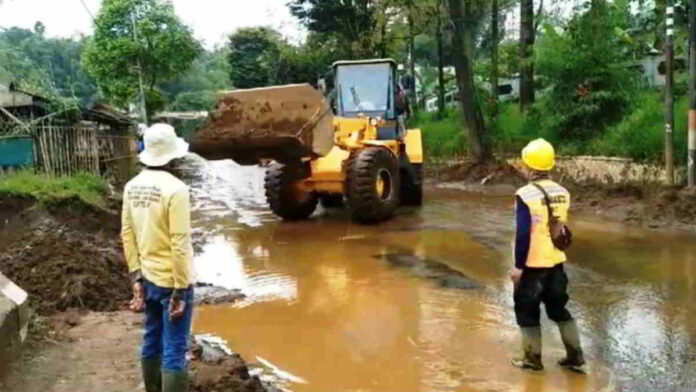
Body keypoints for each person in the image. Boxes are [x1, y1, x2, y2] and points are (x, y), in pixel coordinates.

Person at [121, 123, 194, 392]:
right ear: (173, 155)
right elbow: (179, 243)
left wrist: (135, 277)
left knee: (152, 338)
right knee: (175, 347)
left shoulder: (132, 187)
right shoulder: (176, 190)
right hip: (171, 281)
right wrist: (180, 289)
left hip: (148, 278)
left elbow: (127, 233)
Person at [510, 138, 586, 373]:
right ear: (550, 165)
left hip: (533, 265)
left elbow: (524, 234)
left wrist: (518, 267)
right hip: (556, 263)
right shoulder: (563, 192)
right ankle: (575, 356)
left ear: (529, 165)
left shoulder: (525, 194)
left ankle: (532, 360)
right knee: (559, 310)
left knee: (527, 312)